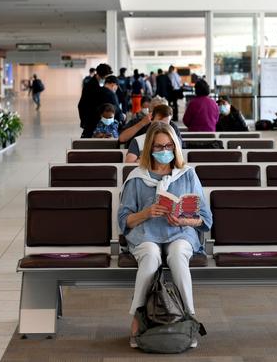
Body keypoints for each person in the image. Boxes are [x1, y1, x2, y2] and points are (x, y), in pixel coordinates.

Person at [118, 121, 212, 349]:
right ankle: (137, 319)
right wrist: (146, 213)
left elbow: (206, 219)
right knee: (150, 256)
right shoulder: (137, 177)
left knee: (178, 254)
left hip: (180, 232)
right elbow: (124, 220)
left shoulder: (187, 175)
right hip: (146, 233)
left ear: (176, 147)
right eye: (159, 147)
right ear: (149, 147)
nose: (164, 151)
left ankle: (189, 316)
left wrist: (183, 220)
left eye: (169, 146)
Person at [78, 63, 112, 138]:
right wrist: (84, 122)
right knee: (87, 143)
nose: (106, 79)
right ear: (101, 75)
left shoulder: (96, 84)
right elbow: (82, 105)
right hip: (91, 121)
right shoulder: (91, 86)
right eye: (105, 77)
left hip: (94, 120)